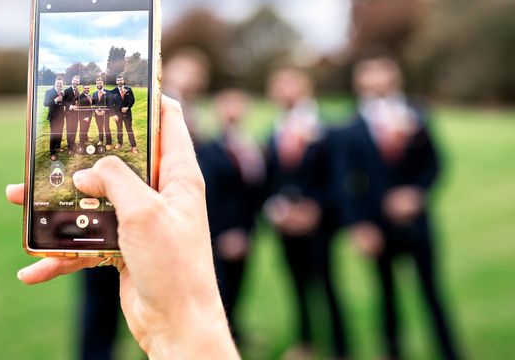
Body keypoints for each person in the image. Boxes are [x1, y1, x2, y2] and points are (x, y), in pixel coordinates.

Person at [6, 97, 239, 359]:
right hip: (112, 238)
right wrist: (178, 329)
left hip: (137, 236)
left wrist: (178, 326)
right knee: (96, 313)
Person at [341, 54, 460, 360]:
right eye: (369, 74)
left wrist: (417, 193)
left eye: (382, 72)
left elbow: (435, 163)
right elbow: (347, 181)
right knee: (386, 297)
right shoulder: (351, 127)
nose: (376, 80)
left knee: (432, 294)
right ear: (359, 81)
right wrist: (360, 225)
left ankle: (449, 352)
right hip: (378, 226)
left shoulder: (416, 114)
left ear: (395, 77)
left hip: (418, 224)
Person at [263, 67, 349, 359]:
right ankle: (305, 341)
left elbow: (337, 177)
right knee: (295, 286)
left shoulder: (324, 129)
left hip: (319, 225)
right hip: (285, 225)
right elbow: (271, 179)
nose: (285, 90)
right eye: (279, 84)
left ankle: (340, 346)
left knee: (327, 285)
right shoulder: (273, 132)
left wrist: (316, 209)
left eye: (291, 83)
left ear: (306, 88)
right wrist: (277, 210)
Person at [197, 89, 264, 339]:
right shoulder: (208, 149)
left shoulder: (251, 147)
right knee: (218, 291)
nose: (233, 110)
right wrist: (224, 233)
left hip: (246, 229)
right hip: (220, 233)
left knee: (238, 288)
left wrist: (247, 229)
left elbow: (254, 192)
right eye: (227, 104)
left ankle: (232, 337)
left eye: (239, 104)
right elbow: (210, 196)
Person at [110, 73, 137, 154]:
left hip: (127, 114)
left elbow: (132, 100)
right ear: (116, 81)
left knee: (129, 130)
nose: (119, 81)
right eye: (118, 80)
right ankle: (119, 143)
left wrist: (127, 107)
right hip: (118, 115)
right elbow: (111, 104)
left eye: (121, 80)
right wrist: (114, 114)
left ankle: (133, 146)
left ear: (123, 80)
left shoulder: (129, 89)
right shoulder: (113, 91)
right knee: (119, 129)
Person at [43, 76, 65, 161]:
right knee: (53, 134)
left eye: (61, 83)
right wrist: (55, 100)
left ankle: (58, 146)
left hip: (61, 116)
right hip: (53, 117)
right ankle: (52, 152)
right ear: (55, 83)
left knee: (60, 132)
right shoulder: (49, 92)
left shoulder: (62, 92)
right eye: (58, 83)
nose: (59, 84)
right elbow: (45, 103)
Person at [92, 77, 113, 150]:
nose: (99, 84)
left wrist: (105, 111)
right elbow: (93, 104)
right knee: (99, 128)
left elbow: (110, 104)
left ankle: (108, 143)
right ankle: (101, 140)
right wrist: (95, 111)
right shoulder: (94, 94)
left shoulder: (108, 92)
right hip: (97, 114)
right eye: (97, 83)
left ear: (103, 83)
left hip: (105, 114)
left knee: (107, 128)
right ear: (96, 84)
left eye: (100, 83)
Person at [63, 75, 82, 154]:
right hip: (69, 114)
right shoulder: (67, 90)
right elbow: (63, 102)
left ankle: (73, 143)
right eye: (75, 80)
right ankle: (70, 147)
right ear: (72, 81)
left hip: (76, 114)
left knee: (74, 129)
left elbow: (78, 101)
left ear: (78, 82)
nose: (76, 82)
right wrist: (70, 106)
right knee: (69, 130)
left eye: (77, 81)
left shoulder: (78, 91)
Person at [77, 85, 94, 151]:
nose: (87, 89)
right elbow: (79, 108)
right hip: (83, 116)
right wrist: (84, 117)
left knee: (87, 127)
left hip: (89, 115)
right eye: (85, 88)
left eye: (88, 88)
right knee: (82, 129)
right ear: (83, 89)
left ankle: (85, 138)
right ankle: (81, 143)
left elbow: (90, 105)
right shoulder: (80, 96)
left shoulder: (89, 95)